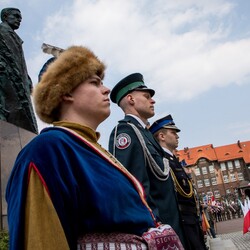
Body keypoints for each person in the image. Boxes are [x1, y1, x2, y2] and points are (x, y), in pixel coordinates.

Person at [6, 46, 184, 250]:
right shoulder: (47, 150)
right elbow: (42, 240)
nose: (106, 89)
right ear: (65, 92)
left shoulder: (92, 150)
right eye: (94, 82)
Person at [108, 73, 187, 248]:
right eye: (146, 96)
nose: (153, 101)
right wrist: (155, 228)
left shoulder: (145, 134)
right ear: (130, 99)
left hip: (171, 228)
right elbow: (132, 189)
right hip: (157, 234)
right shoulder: (126, 132)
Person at [149, 115, 207, 249]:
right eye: (173, 133)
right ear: (162, 136)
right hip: (182, 221)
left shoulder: (173, 160)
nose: (177, 136)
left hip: (191, 219)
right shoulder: (163, 161)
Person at [0, 7, 38, 133]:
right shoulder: (1, 31)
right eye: (15, 17)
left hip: (19, 78)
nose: (19, 20)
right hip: (5, 76)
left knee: (24, 115)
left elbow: (20, 61)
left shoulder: (15, 37)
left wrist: (26, 77)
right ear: (5, 16)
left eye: (20, 19)